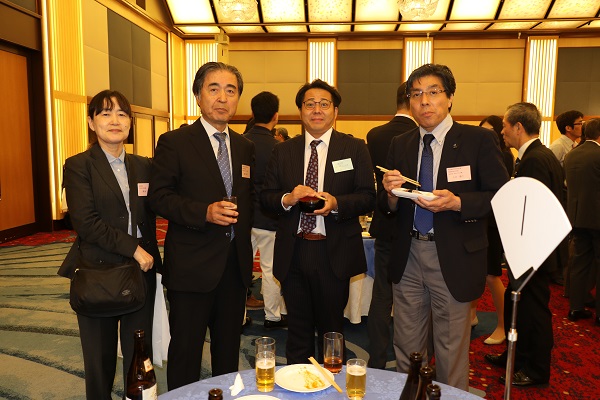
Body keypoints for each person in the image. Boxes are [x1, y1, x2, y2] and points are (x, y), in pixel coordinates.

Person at [380, 64, 509, 390]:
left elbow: (501, 196)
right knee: (407, 348)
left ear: (450, 98)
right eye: (416, 94)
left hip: (453, 256)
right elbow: (388, 208)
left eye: (433, 92)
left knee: (451, 351)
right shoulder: (401, 143)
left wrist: (458, 203)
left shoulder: (477, 140)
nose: (424, 101)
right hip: (409, 255)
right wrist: (390, 194)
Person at [148, 62, 255, 390]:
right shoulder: (175, 142)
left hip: (234, 268)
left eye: (231, 90)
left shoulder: (245, 147)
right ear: (198, 95)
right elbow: (159, 197)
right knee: (186, 352)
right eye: (214, 89)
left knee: (228, 352)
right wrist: (203, 212)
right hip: (192, 267)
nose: (223, 98)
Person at [261, 79, 376, 364]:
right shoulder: (282, 150)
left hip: (333, 251)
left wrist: (337, 204)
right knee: (297, 331)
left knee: (331, 332)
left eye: (324, 104)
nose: (316, 110)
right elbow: (266, 197)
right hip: (294, 251)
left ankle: (332, 384)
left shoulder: (354, 148)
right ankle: (297, 382)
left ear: (335, 111)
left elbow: (368, 197)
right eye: (309, 104)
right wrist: (288, 198)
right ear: (300, 111)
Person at [58, 90, 161, 399]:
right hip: (98, 273)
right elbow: (86, 223)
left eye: (122, 114)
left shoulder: (144, 165)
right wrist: (133, 248)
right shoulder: (78, 166)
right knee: (99, 363)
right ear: (91, 122)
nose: (115, 120)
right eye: (105, 113)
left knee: (139, 358)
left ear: (130, 123)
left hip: (140, 273)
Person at [485, 102, 565, 388]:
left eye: (505, 126)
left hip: (534, 249)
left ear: (518, 127)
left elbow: (531, 209)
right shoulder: (535, 156)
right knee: (517, 303)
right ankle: (516, 357)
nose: (502, 131)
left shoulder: (535, 160)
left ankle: (536, 369)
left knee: (534, 310)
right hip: (531, 247)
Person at [365, 81, 417, 369]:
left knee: (381, 296)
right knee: (413, 298)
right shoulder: (420, 135)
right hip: (414, 225)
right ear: (412, 100)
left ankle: (376, 358)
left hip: (385, 221)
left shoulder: (375, 135)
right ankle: (412, 360)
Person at [244, 91, 287, 329]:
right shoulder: (279, 148)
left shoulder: (240, 143)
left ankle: (239, 317)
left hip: (245, 216)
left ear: (253, 113)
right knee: (270, 269)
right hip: (271, 217)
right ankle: (273, 316)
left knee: (241, 267)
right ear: (275, 116)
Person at [469, 115, 512, 345]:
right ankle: (472, 315)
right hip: (478, 220)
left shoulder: (503, 156)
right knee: (476, 271)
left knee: (492, 274)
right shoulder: (476, 154)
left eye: (491, 132)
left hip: (494, 222)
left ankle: (503, 325)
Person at [564, 118, 600, 326]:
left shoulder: (572, 154)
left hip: (576, 217)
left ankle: (575, 308)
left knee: (579, 263)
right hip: (597, 219)